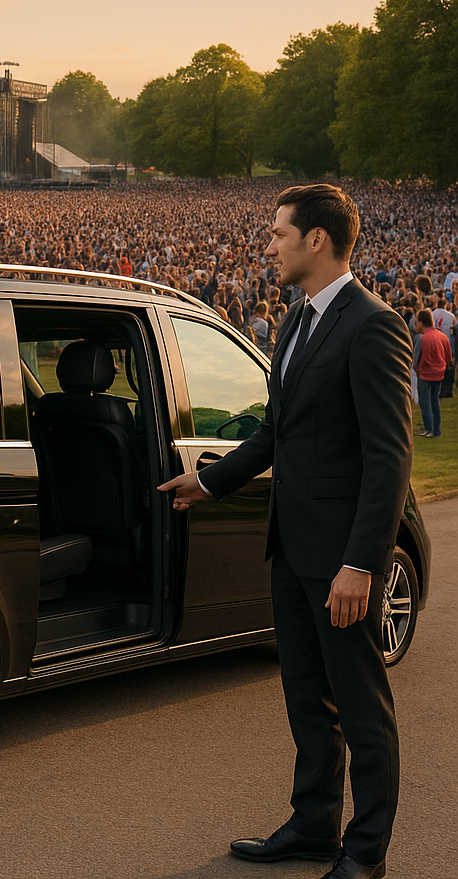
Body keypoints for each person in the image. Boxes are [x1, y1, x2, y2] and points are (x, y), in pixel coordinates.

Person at [158, 184, 413, 879]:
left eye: (277, 234)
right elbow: (277, 433)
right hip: (290, 548)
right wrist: (208, 480)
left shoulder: (373, 325)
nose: (267, 245)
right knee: (307, 698)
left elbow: (390, 457)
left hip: (340, 560)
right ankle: (313, 825)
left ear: (316, 240)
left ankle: (365, 852)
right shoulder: (298, 322)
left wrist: (363, 563)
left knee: (362, 709)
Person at [413, 308, 451, 436]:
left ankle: (429, 428)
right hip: (439, 373)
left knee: (425, 402)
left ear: (421, 323)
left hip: (425, 374)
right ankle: (436, 429)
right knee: (435, 400)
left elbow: (416, 358)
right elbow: (448, 356)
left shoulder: (422, 338)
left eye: (416, 322)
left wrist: (417, 370)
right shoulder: (442, 336)